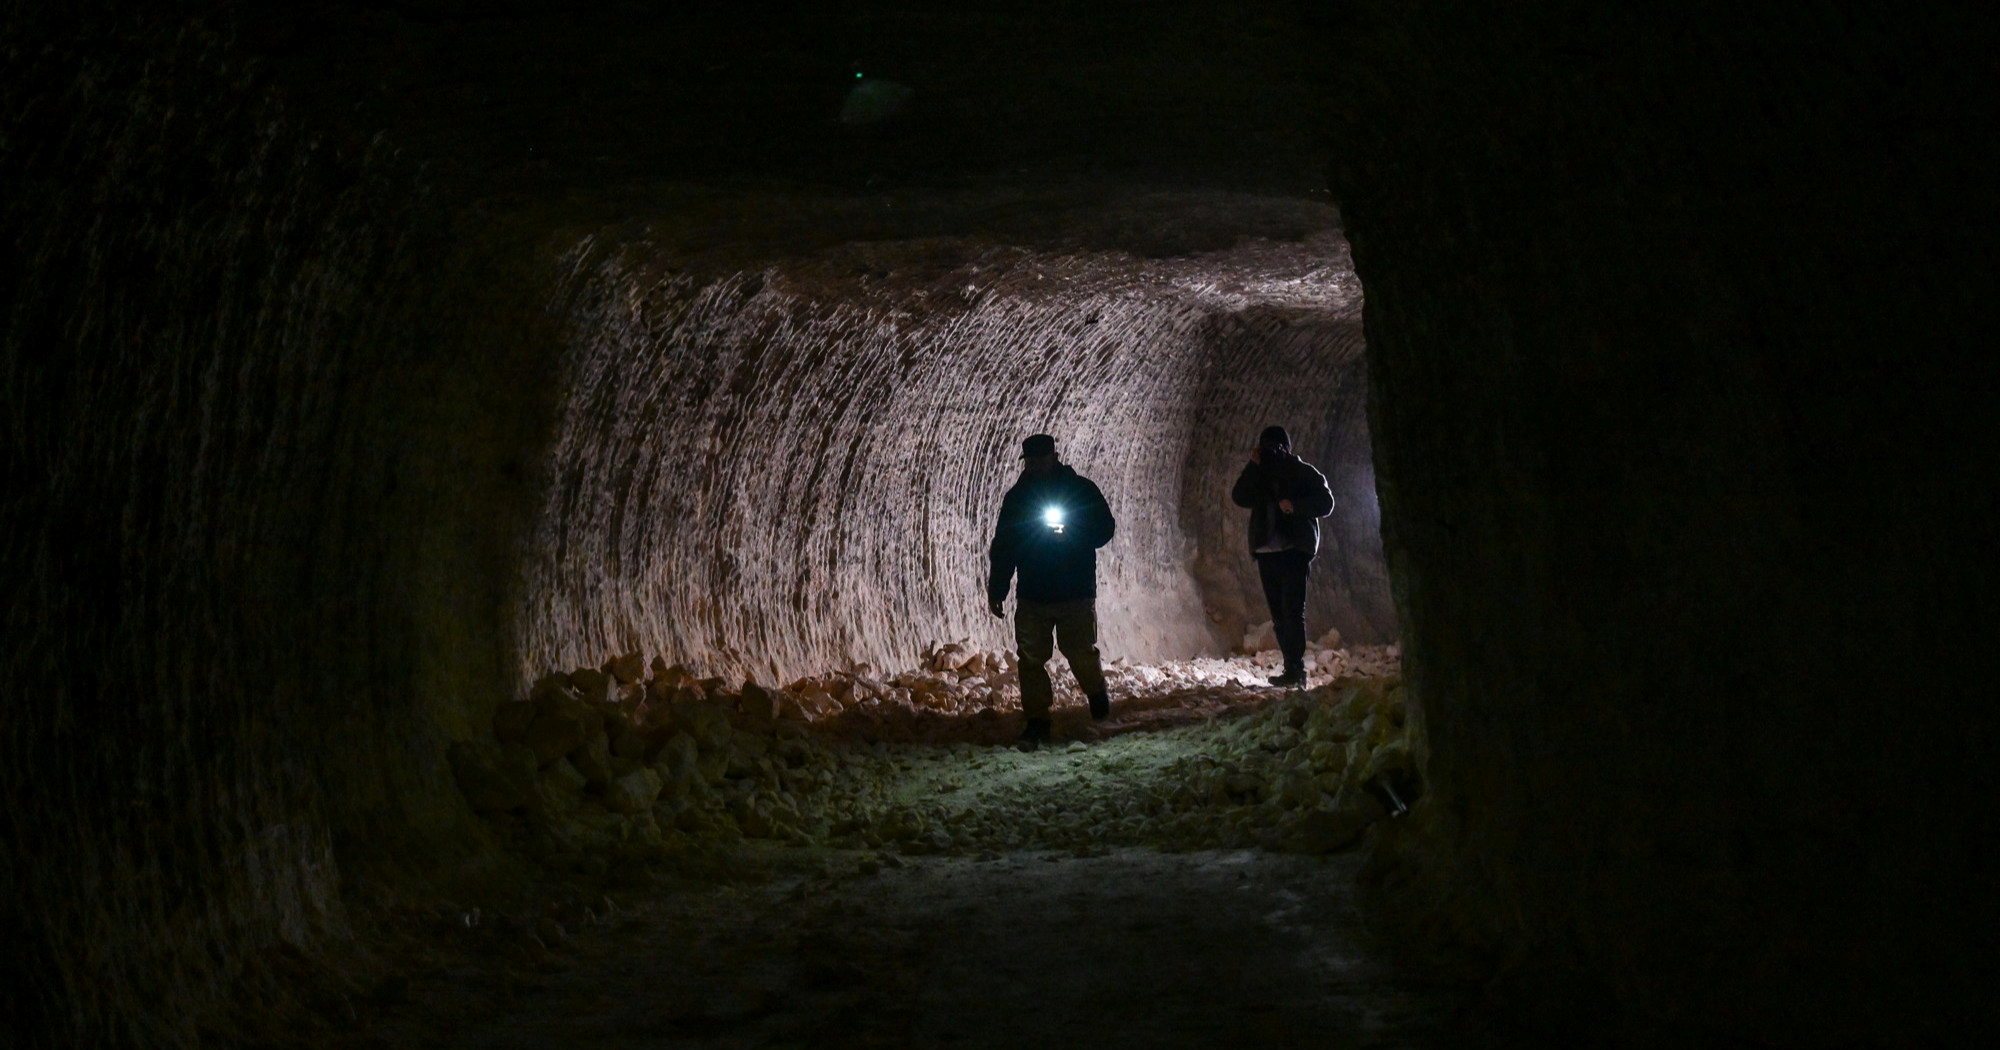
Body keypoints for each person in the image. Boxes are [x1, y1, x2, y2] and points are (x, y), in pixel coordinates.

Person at [987, 433, 1116, 750]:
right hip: (1033, 592)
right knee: (1031, 658)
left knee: (1079, 648)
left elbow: (1105, 528)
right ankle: (1037, 720)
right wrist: (998, 587)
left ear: (1054, 457)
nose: (1034, 466)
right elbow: (1004, 546)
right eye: (1029, 461)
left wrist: (1075, 531)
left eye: (1039, 460)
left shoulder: (1080, 490)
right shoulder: (1018, 499)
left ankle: (1095, 690)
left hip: (1074, 590)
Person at [1231, 425, 1335, 688]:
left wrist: (1296, 506)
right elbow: (1239, 496)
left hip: (1294, 550)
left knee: (1292, 611)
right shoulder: (1260, 473)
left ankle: (1296, 669)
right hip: (1267, 552)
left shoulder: (1301, 471)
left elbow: (1326, 502)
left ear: (1287, 448)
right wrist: (1253, 466)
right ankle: (1291, 668)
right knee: (1279, 614)